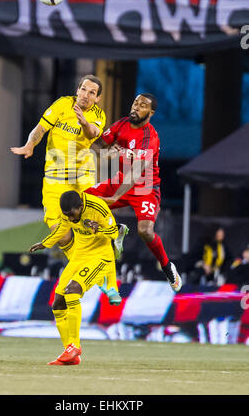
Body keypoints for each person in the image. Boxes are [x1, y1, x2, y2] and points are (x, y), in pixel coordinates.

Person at [11, 74, 127, 304]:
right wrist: (30, 144)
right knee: (61, 233)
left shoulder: (97, 115)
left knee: (95, 227)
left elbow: (93, 133)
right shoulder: (62, 104)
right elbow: (40, 128)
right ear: (78, 89)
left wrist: (83, 121)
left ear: (98, 98)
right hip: (54, 180)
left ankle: (109, 281)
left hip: (81, 177)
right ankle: (94, 274)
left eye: (92, 92)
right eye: (84, 89)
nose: (86, 95)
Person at [87, 93, 182, 292]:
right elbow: (96, 146)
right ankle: (114, 232)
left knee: (145, 231)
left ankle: (167, 267)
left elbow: (137, 172)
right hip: (121, 180)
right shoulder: (121, 124)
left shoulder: (150, 137)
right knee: (81, 201)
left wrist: (114, 197)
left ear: (151, 113)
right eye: (135, 103)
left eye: (142, 105)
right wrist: (106, 150)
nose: (136, 107)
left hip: (145, 188)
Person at [29, 190, 119, 365]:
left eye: (72, 215)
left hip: (100, 257)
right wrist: (44, 243)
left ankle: (75, 346)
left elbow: (115, 232)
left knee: (72, 291)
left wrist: (99, 229)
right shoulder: (68, 213)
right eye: (67, 216)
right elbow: (62, 229)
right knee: (58, 303)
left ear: (80, 206)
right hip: (79, 256)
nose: (70, 219)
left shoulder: (97, 207)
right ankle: (71, 353)